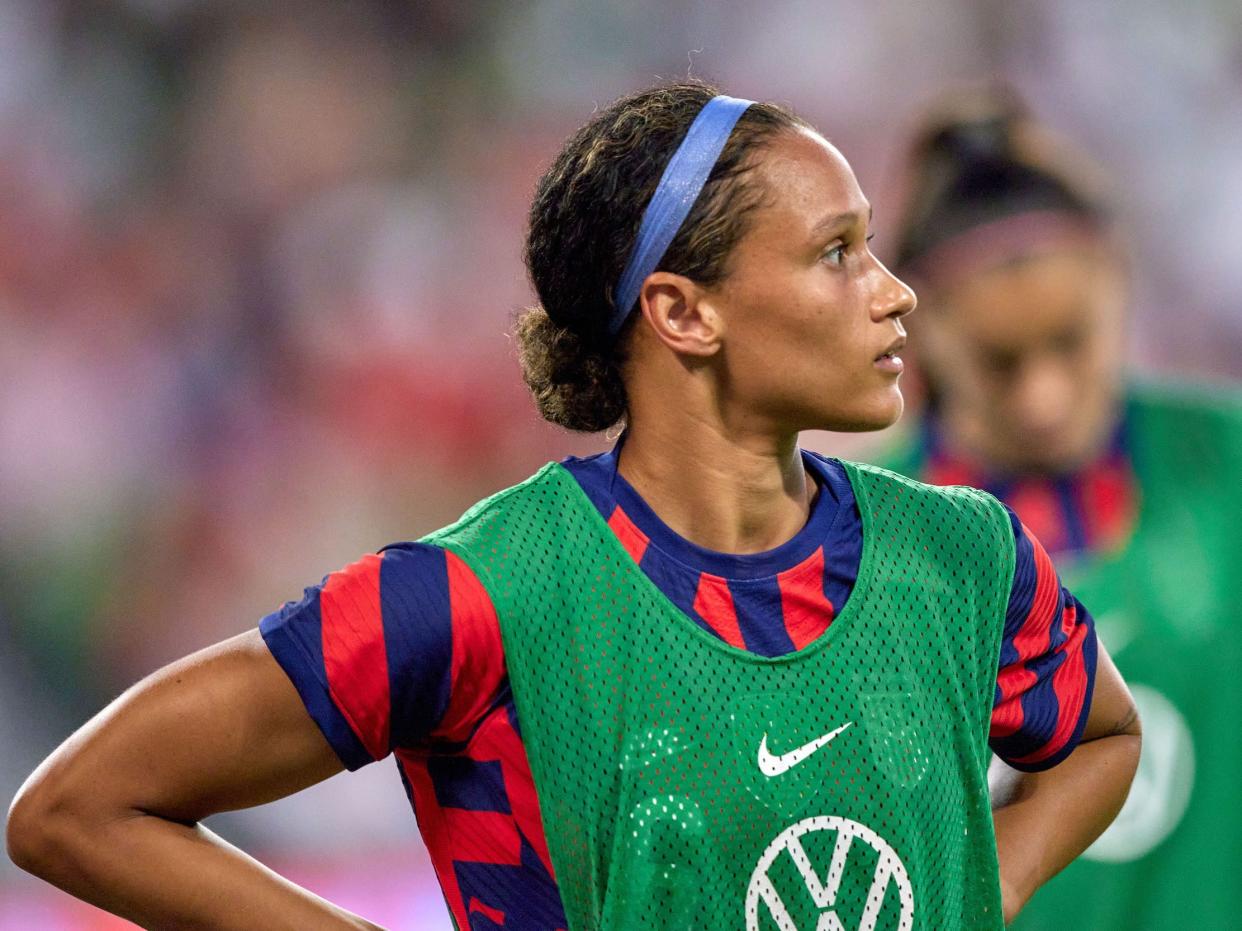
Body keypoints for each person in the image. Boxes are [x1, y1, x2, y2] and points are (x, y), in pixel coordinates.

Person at [6, 81, 1139, 931]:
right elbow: (76, 811)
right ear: (683, 313)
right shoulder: (479, 597)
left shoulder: (964, 550)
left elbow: (1102, 735)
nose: (896, 294)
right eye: (837, 252)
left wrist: (976, 886)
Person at [881, 88, 1242, 930]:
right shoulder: (861, 538)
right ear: (921, 330)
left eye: (1070, 342)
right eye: (999, 361)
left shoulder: (1224, 465)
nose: (1042, 398)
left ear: (1118, 285)